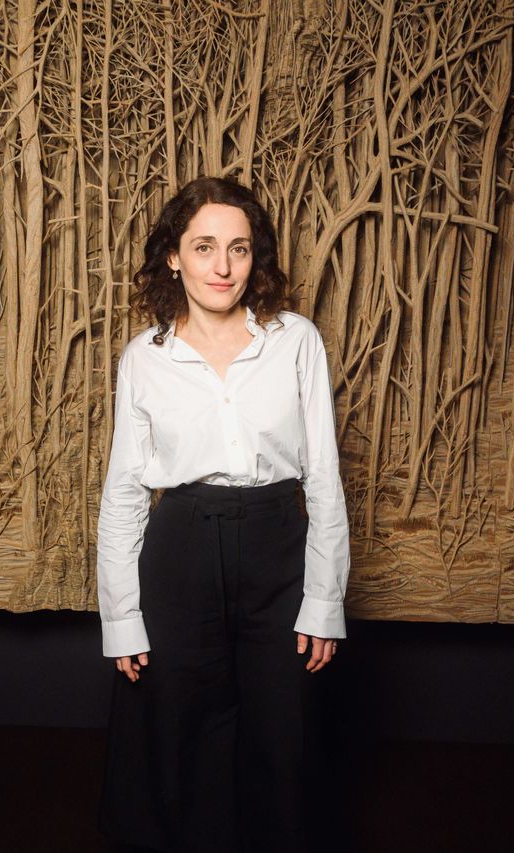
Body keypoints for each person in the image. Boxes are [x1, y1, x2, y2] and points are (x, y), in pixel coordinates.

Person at [96, 176, 351, 853]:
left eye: (238, 248)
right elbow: (123, 492)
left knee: (283, 732)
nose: (222, 266)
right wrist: (121, 617)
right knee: (181, 735)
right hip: (179, 549)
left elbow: (324, 476)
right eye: (203, 247)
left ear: (254, 256)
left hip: (278, 548)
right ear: (174, 257)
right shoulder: (145, 358)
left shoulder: (295, 340)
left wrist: (324, 600)